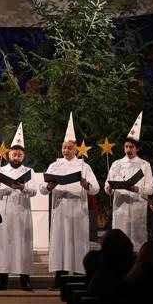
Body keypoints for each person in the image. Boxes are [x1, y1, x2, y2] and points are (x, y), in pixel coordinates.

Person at [40, 114, 100, 289]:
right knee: (60, 242)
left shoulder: (83, 166)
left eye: (69, 148)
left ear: (76, 149)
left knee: (78, 242)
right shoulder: (54, 165)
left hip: (77, 210)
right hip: (60, 209)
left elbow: (95, 189)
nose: (66, 150)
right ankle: (60, 278)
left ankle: (80, 277)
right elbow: (42, 190)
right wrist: (50, 186)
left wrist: (86, 184)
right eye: (64, 147)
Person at [0, 123, 37, 291]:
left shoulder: (29, 171)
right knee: (4, 245)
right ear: (9, 154)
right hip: (4, 214)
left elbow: (34, 192)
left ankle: (24, 280)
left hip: (21, 213)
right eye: (14, 154)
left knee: (22, 245)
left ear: (23, 156)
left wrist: (23, 188)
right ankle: (2, 279)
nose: (16, 157)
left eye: (19, 154)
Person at [104, 112, 153, 250]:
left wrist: (137, 189)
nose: (128, 149)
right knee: (120, 240)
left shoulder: (145, 165)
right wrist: (108, 189)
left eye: (131, 147)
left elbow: (150, 188)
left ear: (137, 148)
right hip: (120, 207)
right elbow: (108, 184)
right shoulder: (116, 164)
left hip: (138, 208)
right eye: (126, 146)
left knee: (137, 241)